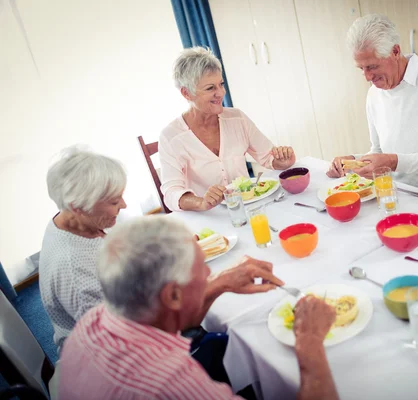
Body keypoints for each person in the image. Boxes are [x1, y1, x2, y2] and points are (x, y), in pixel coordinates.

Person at [58, 216, 339, 400]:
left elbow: (171, 316)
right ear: (173, 296)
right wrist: (310, 343)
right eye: (201, 269)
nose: (208, 273)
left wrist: (220, 284)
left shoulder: (96, 319)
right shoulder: (172, 386)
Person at [327, 14, 418, 188]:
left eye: (372, 66)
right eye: (361, 69)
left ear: (395, 52)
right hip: (400, 191)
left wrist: (394, 162)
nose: (367, 77)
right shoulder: (374, 94)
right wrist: (352, 162)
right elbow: (379, 152)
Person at [160, 47, 296, 212]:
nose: (221, 93)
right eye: (210, 88)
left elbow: (268, 157)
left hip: (249, 209)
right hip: (209, 217)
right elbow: (171, 192)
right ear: (186, 93)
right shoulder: (171, 137)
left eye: (221, 84)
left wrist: (282, 161)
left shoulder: (237, 118)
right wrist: (201, 202)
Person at [39, 147, 127, 352]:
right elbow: (117, 341)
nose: (124, 204)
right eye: (114, 201)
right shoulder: (76, 272)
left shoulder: (67, 220)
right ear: (78, 206)